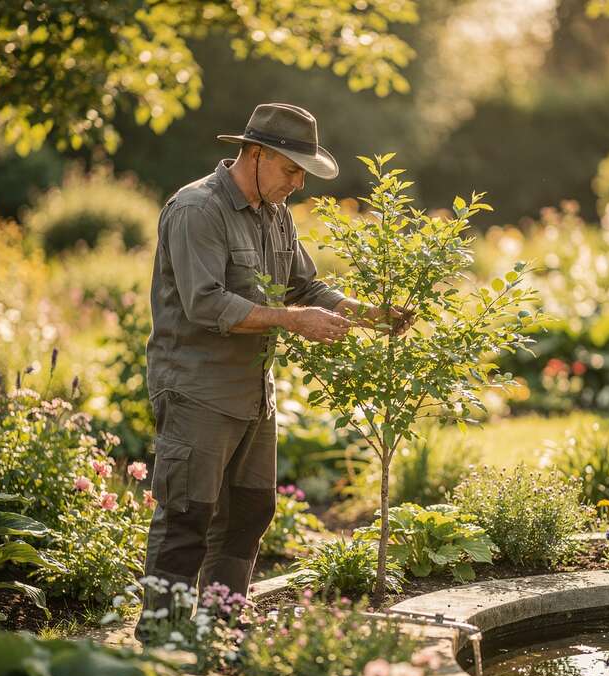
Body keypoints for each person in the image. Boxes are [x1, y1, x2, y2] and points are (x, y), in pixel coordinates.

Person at [139, 103, 409, 623]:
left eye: (303, 173)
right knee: (186, 516)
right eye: (291, 170)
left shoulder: (275, 213)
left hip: (253, 394)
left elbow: (306, 286)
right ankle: (162, 639)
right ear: (255, 154)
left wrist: (368, 314)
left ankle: (221, 622)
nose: (298, 184)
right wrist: (292, 320)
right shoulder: (197, 210)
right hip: (198, 389)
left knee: (250, 510)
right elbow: (206, 304)